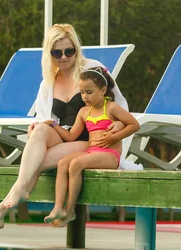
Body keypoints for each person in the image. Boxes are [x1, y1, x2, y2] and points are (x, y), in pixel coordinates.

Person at [0, 23, 128, 232]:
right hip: (65, 136)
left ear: (76, 50)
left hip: (90, 142)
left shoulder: (93, 69)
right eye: (57, 52)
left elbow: (119, 104)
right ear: (49, 53)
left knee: (38, 161)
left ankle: (3, 207)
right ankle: (16, 193)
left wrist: (118, 122)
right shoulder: (49, 81)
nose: (64, 57)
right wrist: (36, 126)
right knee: (40, 130)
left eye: (69, 51)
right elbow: (45, 117)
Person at [43, 67, 140, 227]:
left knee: (76, 164)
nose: (84, 96)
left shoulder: (111, 108)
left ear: (103, 90)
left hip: (109, 155)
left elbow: (134, 125)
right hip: (92, 152)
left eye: (89, 92)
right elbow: (70, 136)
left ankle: (71, 210)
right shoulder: (83, 112)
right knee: (62, 163)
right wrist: (53, 124)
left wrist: (113, 138)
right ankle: (58, 207)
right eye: (81, 92)